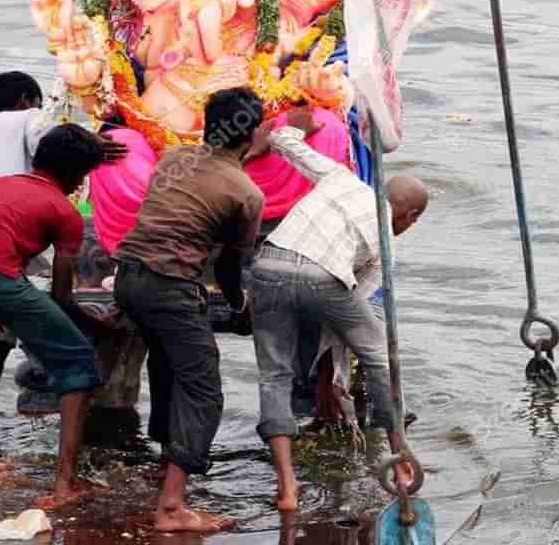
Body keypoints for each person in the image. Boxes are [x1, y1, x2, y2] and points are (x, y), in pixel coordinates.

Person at [0, 72, 123, 453]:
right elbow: (50, 137)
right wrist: (95, 143)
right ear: (26, 100)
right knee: (62, 354)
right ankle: (57, 466)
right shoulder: (31, 120)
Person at [246, 106, 428, 512]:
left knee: (274, 374)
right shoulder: (386, 244)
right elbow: (347, 315)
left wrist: (297, 128)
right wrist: (335, 374)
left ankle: (288, 488)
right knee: (380, 355)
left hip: (268, 263)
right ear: (410, 215)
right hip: (321, 275)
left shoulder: (342, 178)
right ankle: (400, 460)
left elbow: (287, 144)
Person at [112, 87, 268, 533]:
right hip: (169, 287)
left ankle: (167, 462)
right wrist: (240, 305)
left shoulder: (174, 156)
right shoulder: (247, 193)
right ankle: (172, 507)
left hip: (127, 278)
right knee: (203, 390)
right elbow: (230, 266)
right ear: (253, 133)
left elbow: (186, 199)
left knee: (166, 366)